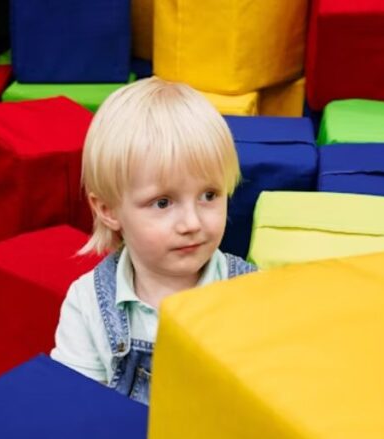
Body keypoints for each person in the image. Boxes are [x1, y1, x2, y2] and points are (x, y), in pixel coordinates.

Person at [50, 77, 257, 405]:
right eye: (163, 203)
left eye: (209, 195)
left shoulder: (251, 294)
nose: (191, 223)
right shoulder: (88, 301)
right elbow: (75, 408)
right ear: (108, 210)